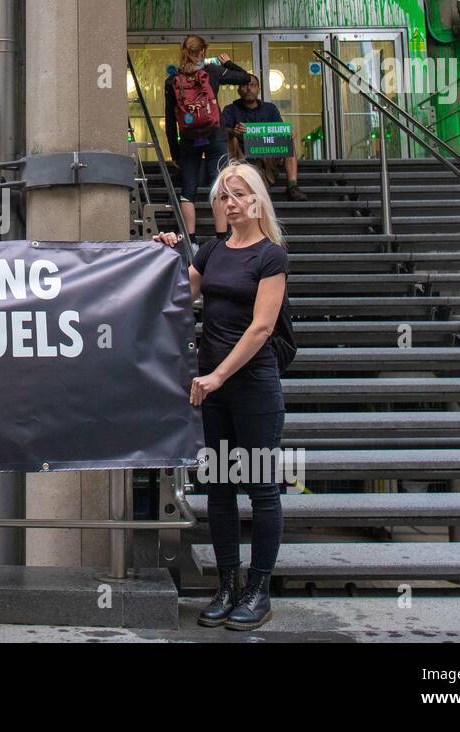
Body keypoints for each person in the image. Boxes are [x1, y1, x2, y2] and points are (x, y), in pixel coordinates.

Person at [153, 161, 288, 630]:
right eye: (224, 196)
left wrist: (219, 376)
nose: (230, 203)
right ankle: (227, 584)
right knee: (220, 489)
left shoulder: (271, 256)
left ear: (256, 200)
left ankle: (259, 590)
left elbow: (262, 329)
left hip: (251, 386)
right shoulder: (211, 250)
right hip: (211, 386)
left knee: (263, 489)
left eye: (238, 194)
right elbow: (176, 295)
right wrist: (165, 252)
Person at [164, 35, 251, 241]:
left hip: (188, 139)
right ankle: (222, 238)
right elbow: (245, 78)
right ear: (203, 52)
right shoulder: (212, 71)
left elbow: (170, 120)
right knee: (219, 186)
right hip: (215, 136)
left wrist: (174, 152)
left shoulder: (172, 81)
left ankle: (190, 240)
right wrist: (227, 62)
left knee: (188, 190)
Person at [221, 73, 308, 201]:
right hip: (243, 155)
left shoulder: (270, 108)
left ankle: (293, 186)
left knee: (287, 140)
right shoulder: (230, 109)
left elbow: (280, 130)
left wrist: (289, 132)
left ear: (259, 89)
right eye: (245, 85)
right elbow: (221, 131)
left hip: (269, 152)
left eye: (253, 85)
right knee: (230, 138)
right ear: (239, 89)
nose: (249, 89)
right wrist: (234, 131)